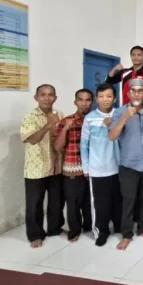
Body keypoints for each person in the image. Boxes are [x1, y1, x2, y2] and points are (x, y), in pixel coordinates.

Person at [109, 78, 143, 250]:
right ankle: (126, 234)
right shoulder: (119, 112)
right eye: (133, 91)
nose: (137, 94)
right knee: (128, 201)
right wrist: (124, 118)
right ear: (128, 94)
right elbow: (112, 136)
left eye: (140, 91)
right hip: (129, 164)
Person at [20, 84, 66, 248]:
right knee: (34, 204)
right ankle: (35, 235)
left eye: (50, 95)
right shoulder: (30, 117)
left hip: (56, 167)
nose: (47, 98)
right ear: (36, 97)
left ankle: (55, 228)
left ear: (55, 98)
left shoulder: (60, 115)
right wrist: (48, 125)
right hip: (36, 168)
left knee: (56, 202)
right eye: (43, 95)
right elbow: (32, 140)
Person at [81, 83, 121, 247]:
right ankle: (101, 232)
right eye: (101, 96)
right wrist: (86, 168)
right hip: (98, 169)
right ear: (96, 99)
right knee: (100, 204)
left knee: (118, 201)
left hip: (118, 167)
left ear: (114, 98)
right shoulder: (89, 118)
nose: (105, 100)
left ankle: (119, 227)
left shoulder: (120, 115)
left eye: (109, 96)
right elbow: (84, 145)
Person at [53, 88, 94, 242]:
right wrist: (65, 129)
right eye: (81, 100)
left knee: (89, 202)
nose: (84, 103)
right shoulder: (66, 121)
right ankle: (74, 231)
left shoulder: (95, 120)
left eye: (88, 100)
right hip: (72, 169)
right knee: (73, 203)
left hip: (92, 168)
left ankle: (89, 227)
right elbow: (57, 147)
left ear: (92, 102)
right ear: (75, 102)